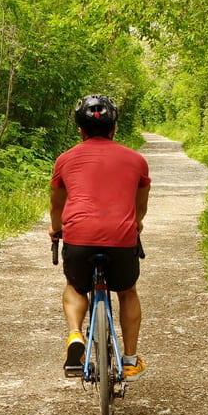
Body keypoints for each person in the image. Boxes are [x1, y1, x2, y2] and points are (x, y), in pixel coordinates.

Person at [49, 94, 151, 381]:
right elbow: (139, 206)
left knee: (75, 286)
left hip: (79, 239)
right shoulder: (136, 160)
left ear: (80, 130)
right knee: (127, 290)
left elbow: (57, 205)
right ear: (114, 128)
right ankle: (130, 360)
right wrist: (137, 224)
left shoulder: (65, 160)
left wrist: (56, 229)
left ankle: (74, 335)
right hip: (121, 240)